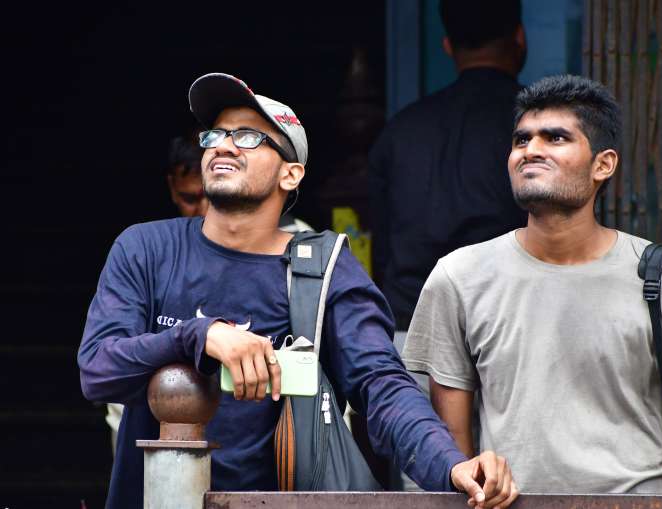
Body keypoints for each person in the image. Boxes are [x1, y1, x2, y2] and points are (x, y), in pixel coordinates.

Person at [78, 72, 520, 509]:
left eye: (249, 137)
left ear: (291, 174)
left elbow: (381, 386)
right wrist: (197, 335)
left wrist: (450, 465)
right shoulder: (146, 248)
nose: (225, 145)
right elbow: (98, 370)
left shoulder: (324, 268)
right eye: (215, 135)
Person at [402, 74, 662, 494]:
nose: (530, 151)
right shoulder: (459, 277)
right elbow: (456, 455)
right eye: (522, 140)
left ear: (603, 164)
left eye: (555, 138)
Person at [368, 0, 528, 338]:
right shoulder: (540, 130)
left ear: (447, 46)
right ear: (520, 38)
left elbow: (381, 244)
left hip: (412, 327)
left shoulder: (402, 128)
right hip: (510, 327)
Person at [106, 132, 209, 455]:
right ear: (171, 188)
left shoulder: (296, 246)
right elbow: (105, 369)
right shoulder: (146, 251)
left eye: (212, 197)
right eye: (191, 199)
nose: (204, 211)